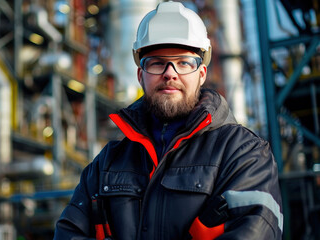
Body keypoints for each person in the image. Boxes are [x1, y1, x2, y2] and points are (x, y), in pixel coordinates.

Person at [54, 1, 283, 239]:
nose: (170, 72)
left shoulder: (243, 154)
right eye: (157, 63)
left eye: (184, 62)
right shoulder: (106, 164)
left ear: (202, 74)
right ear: (141, 75)